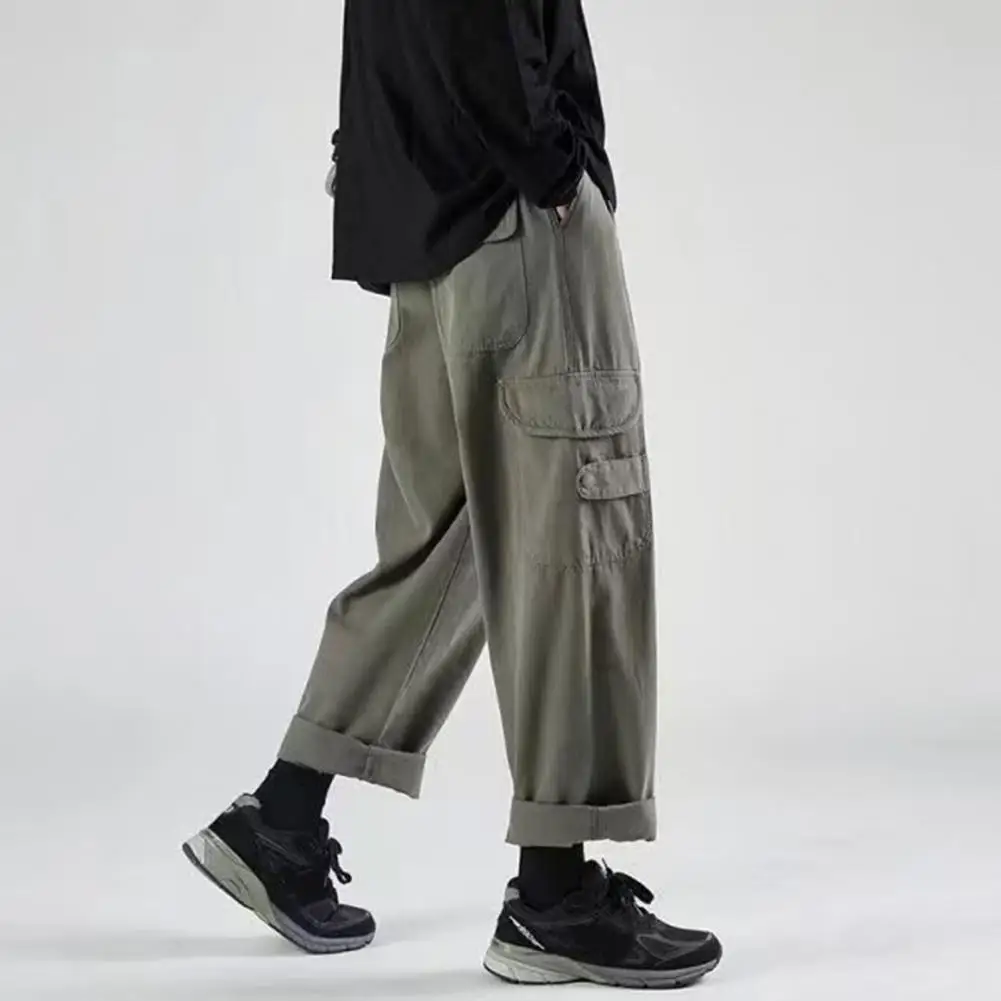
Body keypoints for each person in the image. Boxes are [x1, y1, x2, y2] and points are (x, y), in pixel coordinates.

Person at [183, 0, 722, 989]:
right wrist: (555, 175)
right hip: (512, 216)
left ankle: (283, 816)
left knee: (452, 539)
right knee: (572, 537)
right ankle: (554, 895)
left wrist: (389, 181)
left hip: (427, 223)